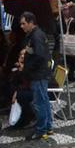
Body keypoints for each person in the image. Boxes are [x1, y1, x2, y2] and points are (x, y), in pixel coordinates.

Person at [18, 12, 52, 141]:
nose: (22, 26)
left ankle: (41, 129)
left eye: (23, 23)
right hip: (39, 74)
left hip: (38, 75)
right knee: (44, 101)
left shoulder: (36, 36)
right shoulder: (35, 35)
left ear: (31, 22)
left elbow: (39, 56)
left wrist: (26, 68)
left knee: (39, 103)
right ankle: (47, 127)